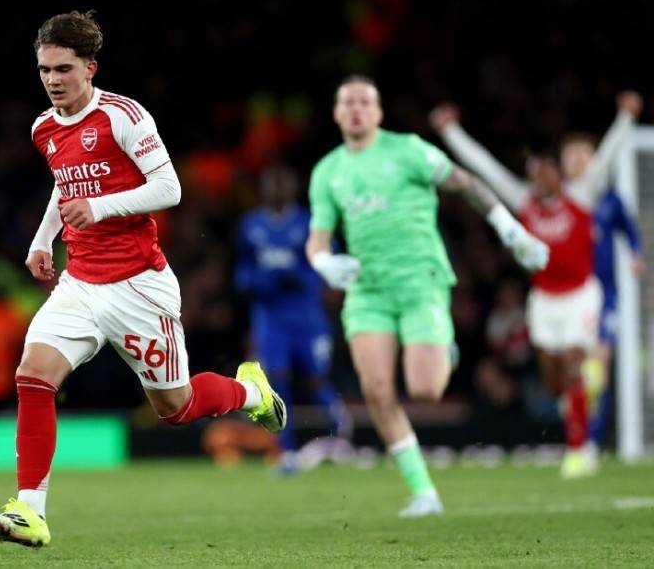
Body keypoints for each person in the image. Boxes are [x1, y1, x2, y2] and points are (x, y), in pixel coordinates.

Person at [0, 11, 285, 548]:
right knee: (33, 375)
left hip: (138, 285)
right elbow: (64, 184)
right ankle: (30, 511)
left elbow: (169, 188)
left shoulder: (123, 116)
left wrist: (99, 207)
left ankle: (248, 391)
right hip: (80, 284)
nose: (52, 80)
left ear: (90, 68)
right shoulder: (44, 128)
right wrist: (42, 239)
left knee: (175, 408)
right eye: (45, 69)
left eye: (64, 69)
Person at [307, 76, 548, 517]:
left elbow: (466, 184)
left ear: (378, 112)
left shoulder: (408, 150)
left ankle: (445, 350)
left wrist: (512, 231)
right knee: (377, 390)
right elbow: (317, 238)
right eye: (348, 103)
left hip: (421, 280)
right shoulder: (327, 171)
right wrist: (324, 263)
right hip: (368, 290)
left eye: (365, 102)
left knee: (425, 389)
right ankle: (423, 491)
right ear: (337, 113)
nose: (357, 109)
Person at [430, 90, 642, 478]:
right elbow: (486, 168)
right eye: (533, 172)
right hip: (544, 300)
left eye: (544, 171)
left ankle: (579, 450)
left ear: (558, 174)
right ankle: (578, 398)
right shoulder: (524, 202)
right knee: (552, 380)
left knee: (575, 367)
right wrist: (451, 132)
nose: (537, 178)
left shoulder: (581, 196)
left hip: (581, 296)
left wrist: (626, 118)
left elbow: (608, 155)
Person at [235, 163, 352, 474]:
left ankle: (343, 436)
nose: (276, 190)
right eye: (270, 184)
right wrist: (256, 281)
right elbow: (242, 270)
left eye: (281, 183)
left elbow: (328, 262)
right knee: (277, 379)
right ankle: (286, 452)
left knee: (316, 379)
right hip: (270, 316)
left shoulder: (308, 223)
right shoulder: (250, 225)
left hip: (306, 314)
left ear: (292, 188)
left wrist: (301, 276)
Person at [560, 132, 644, 452]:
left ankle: (591, 441)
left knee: (599, 366)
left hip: (605, 293)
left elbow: (630, 230)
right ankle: (577, 435)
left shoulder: (610, 199)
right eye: (571, 155)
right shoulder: (561, 202)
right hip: (569, 295)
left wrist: (636, 253)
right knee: (574, 371)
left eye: (584, 154)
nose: (578, 161)